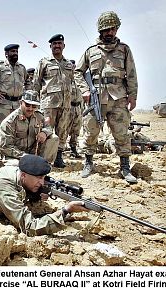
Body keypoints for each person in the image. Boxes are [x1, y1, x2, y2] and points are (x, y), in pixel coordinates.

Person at [74, 11, 138, 184]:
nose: (110, 32)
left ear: (116, 29)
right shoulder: (90, 51)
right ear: (100, 31)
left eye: (113, 29)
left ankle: (125, 167)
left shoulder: (124, 49)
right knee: (91, 131)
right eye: (106, 30)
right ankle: (88, 163)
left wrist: (133, 96)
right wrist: (85, 90)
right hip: (96, 98)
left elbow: (131, 74)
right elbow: (77, 72)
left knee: (122, 133)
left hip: (119, 97)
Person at [33, 34, 74, 168]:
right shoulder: (44, 62)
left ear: (64, 46)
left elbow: (72, 82)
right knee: (47, 130)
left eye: (59, 43)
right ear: (50, 46)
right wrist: (36, 103)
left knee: (62, 130)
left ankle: (59, 157)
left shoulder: (69, 64)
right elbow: (36, 83)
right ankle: (43, 157)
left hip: (65, 104)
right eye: (54, 43)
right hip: (48, 103)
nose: (57, 46)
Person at [0, 90, 59, 164]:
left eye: (34, 106)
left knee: (53, 138)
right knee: (18, 167)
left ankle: (45, 164)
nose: (30, 109)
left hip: (33, 153)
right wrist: (25, 156)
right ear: (21, 103)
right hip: (16, 156)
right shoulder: (10, 122)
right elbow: (5, 147)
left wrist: (44, 132)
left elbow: (49, 127)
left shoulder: (39, 116)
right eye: (27, 105)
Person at [66, 60, 83, 158]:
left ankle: (73, 149)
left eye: (74, 66)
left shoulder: (79, 80)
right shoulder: (65, 79)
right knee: (64, 130)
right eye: (70, 66)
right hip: (68, 107)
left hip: (78, 108)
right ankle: (59, 151)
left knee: (76, 130)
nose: (72, 68)